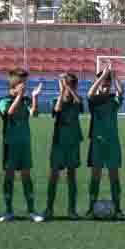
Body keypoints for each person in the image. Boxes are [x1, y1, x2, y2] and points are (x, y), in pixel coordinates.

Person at [0, 68, 44, 223]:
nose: (25, 86)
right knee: (9, 175)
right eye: (23, 83)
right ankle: (8, 211)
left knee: (26, 175)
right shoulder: (4, 100)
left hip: (24, 143)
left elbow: (34, 114)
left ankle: (31, 211)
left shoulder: (26, 100)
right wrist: (19, 96)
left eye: (25, 82)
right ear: (14, 84)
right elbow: (9, 113)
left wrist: (34, 97)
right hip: (10, 144)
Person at [87, 63, 125, 219]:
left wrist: (113, 76)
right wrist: (102, 75)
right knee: (95, 175)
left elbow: (121, 91)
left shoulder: (113, 100)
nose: (105, 88)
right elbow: (90, 93)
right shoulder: (94, 101)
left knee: (114, 175)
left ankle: (118, 208)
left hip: (112, 143)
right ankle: (91, 208)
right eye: (103, 85)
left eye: (107, 85)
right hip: (97, 143)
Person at [45, 72, 84, 220]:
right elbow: (56, 111)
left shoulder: (77, 100)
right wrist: (62, 92)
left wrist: (70, 89)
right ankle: (49, 208)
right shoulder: (56, 99)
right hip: (59, 143)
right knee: (54, 175)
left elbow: (80, 105)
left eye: (73, 84)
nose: (70, 87)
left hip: (73, 142)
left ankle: (72, 210)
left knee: (71, 176)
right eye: (69, 84)